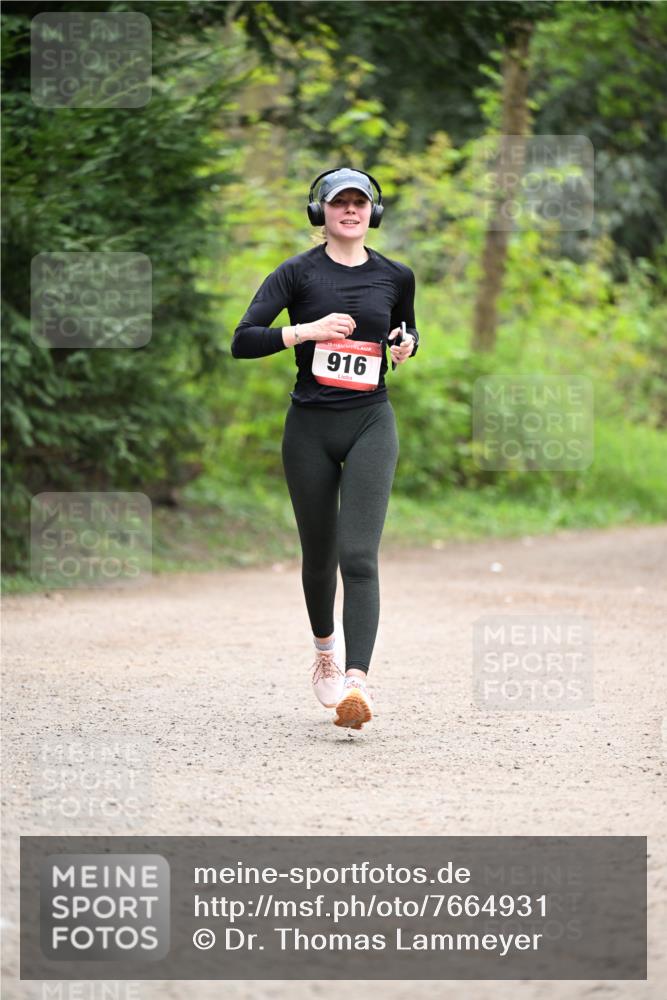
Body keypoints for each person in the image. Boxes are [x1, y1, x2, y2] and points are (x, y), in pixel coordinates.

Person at [231, 167, 419, 730]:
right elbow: (242, 341)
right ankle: (324, 656)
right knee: (320, 553)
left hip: (370, 423)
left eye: (361, 204)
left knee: (358, 555)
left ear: (374, 214)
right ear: (322, 213)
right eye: (340, 204)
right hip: (309, 428)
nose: (351, 212)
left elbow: (406, 331)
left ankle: (357, 684)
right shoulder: (295, 274)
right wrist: (304, 331)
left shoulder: (396, 275)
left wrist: (405, 344)